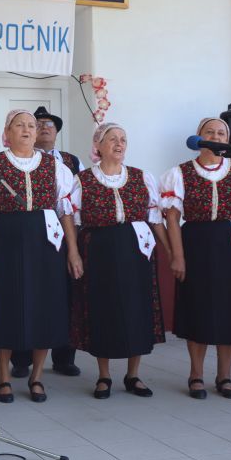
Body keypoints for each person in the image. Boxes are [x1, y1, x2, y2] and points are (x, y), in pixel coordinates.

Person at [0, 109, 83, 404]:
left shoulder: (55, 166)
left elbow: (66, 212)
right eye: (19, 125)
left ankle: (37, 376)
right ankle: (3, 376)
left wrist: (73, 251)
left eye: (31, 125)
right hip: (6, 240)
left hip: (46, 243)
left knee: (45, 306)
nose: (27, 129)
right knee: (6, 306)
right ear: (7, 132)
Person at [161, 117, 231, 400]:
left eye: (221, 133)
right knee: (199, 307)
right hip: (197, 243)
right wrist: (177, 255)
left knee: (230, 310)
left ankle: (225, 375)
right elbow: (172, 217)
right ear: (199, 137)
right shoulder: (180, 173)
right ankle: (196, 373)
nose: (216, 136)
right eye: (210, 132)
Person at [69, 123, 169, 399]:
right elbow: (73, 220)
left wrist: (171, 251)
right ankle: (104, 375)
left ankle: (133, 374)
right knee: (103, 308)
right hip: (98, 249)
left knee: (137, 307)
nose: (119, 143)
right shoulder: (83, 180)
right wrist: (73, 253)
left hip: (136, 249)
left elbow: (155, 218)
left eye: (123, 139)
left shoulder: (141, 177)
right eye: (112, 139)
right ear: (98, 146)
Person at [11, 106, 86, 379]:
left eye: (48, 124)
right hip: (24, 236)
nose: (42, 128)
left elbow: (74, 203)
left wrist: (74, 246)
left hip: (58, 237)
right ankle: (21, 359)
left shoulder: (70, 161)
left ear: (56, 132)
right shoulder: (11, 161)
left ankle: (64, 357)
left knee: (58, 296)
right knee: (23, 294)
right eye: (37, 123)